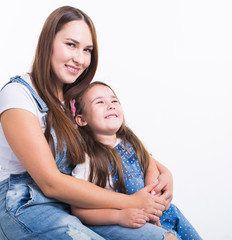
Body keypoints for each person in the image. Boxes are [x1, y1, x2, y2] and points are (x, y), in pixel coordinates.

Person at [0, 5, 178, 240]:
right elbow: (50, 183)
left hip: (78, 205)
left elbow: (119, 146)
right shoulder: (18, 95)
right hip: (27, 204)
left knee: (164, 237)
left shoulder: (77, 100)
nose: (80, 59)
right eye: (71, 44)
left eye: (87, 49)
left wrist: (165, 173)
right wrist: (130, 202)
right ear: (47, 42)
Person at [70, 81, 202, 240]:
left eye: (114, 101)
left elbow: (150, 166)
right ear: (82, 119)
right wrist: (119, 217)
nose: (110, 105)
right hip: (126, 219)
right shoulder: (87, 159)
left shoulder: (130, 143)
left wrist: (153, 202)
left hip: (159, 214)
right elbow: (79, 210)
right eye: (100, 102)